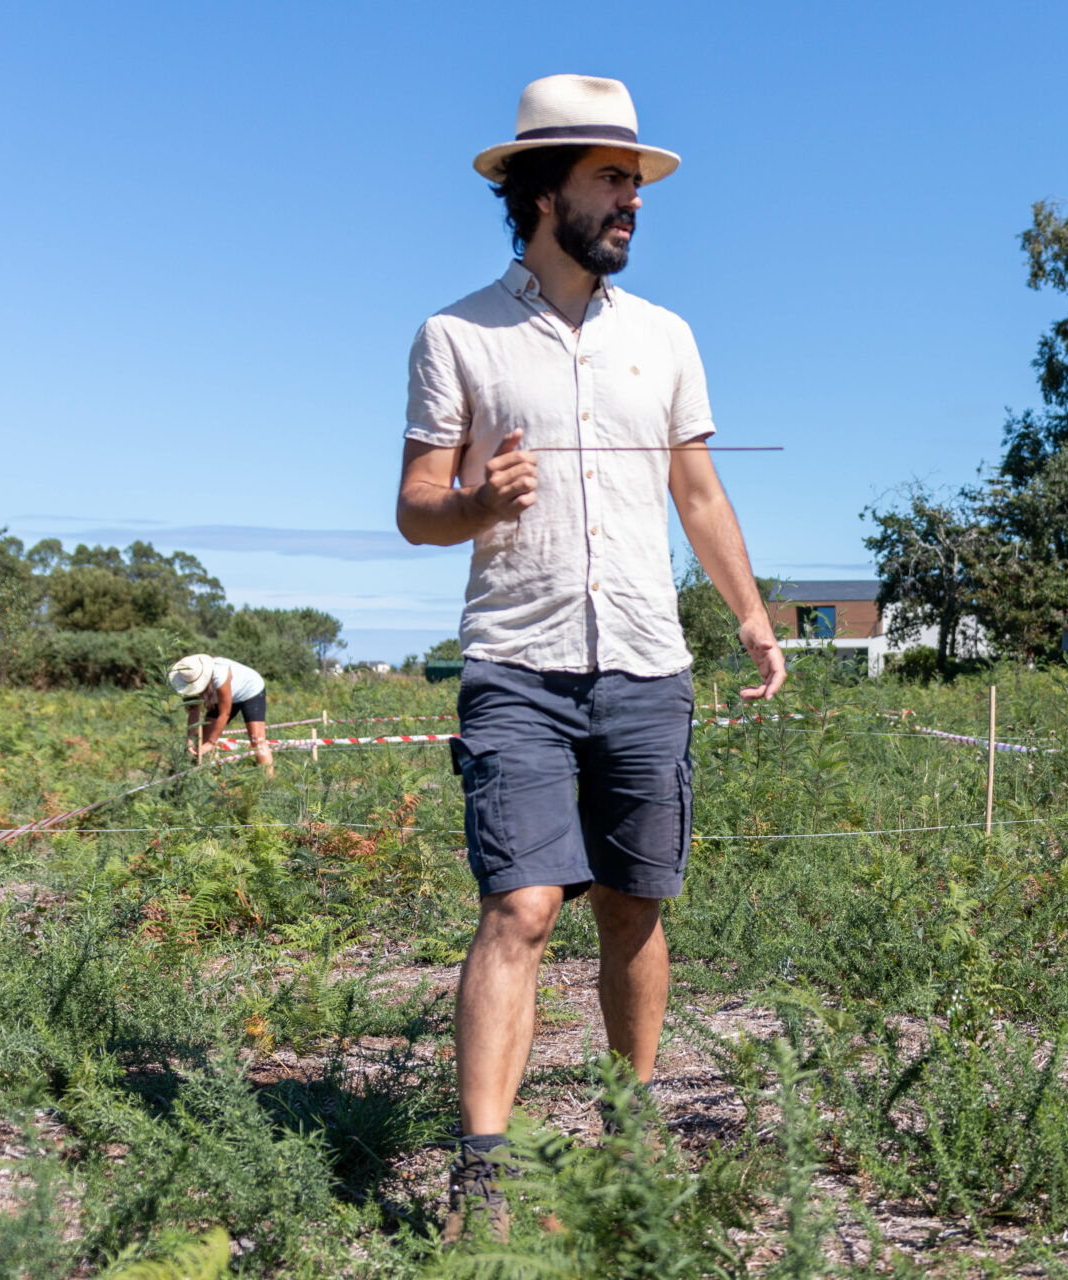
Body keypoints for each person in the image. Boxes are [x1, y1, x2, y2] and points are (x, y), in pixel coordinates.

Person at [394, 74, 784, 1235]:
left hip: (649, 667)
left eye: (634, 182)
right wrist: (476, 497)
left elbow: (699, 493)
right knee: (519, 906)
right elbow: (417, 505)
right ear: (540, 188)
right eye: (611, 179)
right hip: (515, 664)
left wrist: (753, 617)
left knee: (635, 906)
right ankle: (486, 1172)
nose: (633, 201)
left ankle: (633, 1123)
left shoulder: (665, 338)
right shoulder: (456, 333)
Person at [167, 653, 276, 778]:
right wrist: (190, 738)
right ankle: (208, 779)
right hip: (222, 698)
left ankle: (267, 783)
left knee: (257, 739)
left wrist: (211, 743)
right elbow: (194, 711)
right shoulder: (189, 677)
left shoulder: (220, 673)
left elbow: (225, 713)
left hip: (250, 691)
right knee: (205, 736)